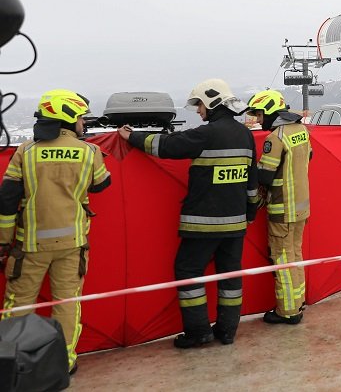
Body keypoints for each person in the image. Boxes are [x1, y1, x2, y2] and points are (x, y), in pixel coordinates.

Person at [118, 79, 259, 348]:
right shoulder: (245, 135)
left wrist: (131, 136)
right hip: (236, 224)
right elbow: (251, 183)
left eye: (199, 105)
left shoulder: (206, 134)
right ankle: (227, 331)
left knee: (189, 271)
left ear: (211, 103)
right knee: (230, 275)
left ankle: (198, 332)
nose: (197, 111)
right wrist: (250, 212)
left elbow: (167, 146)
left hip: (203, 225)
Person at [0, 90, 111, 375]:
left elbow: (7, 202)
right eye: (81, 118)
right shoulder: (90, 152)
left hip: (29, 248)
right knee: (67, 304)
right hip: (73, 245)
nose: (84, 124)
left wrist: (2, 243)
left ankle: (13, 365)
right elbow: (101, 185)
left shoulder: (25, 152)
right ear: (68, 117)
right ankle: (64, 361)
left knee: (20, 306)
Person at [246, 89, 311, 325]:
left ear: (271, 112)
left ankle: (288, 311)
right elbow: (309, 157)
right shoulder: (301, 130)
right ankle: (298, 301)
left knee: (282, 260)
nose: (259, 120)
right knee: (295, 255)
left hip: (282, 208)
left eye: (260, 115)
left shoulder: (275, 138)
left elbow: (264, 176)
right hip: (302, 207)